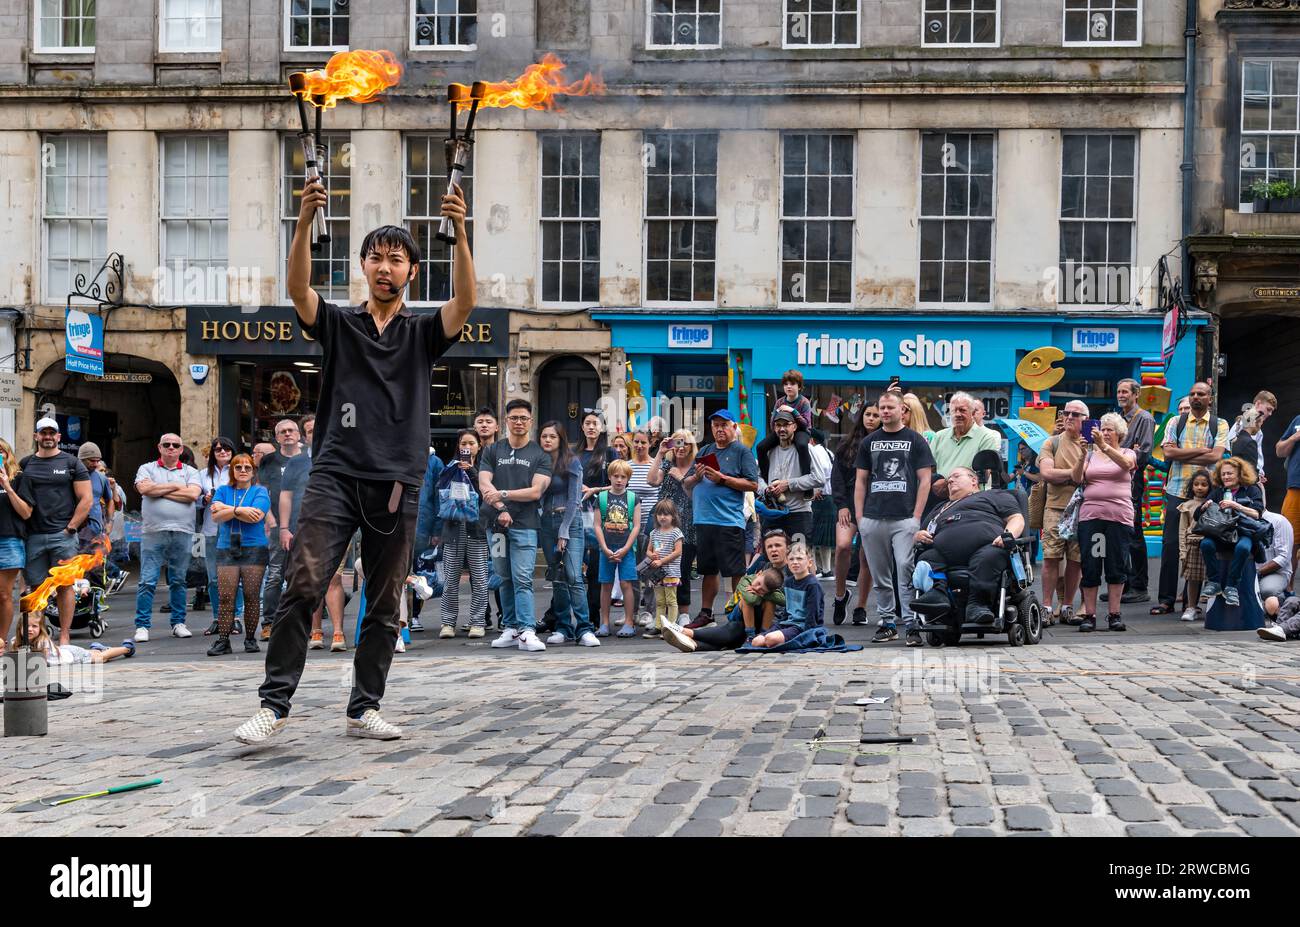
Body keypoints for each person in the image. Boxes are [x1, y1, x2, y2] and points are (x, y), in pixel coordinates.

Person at [233, 179, 475, 747]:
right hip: (337, 474)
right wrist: (303, 220)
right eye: (376, 258)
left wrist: (460, 230)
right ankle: (274, 707)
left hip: (397, 483)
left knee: (385, 602)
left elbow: (464, 300)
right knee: (304, 584)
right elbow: (297, 288)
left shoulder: (422, 332)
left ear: (412, 271)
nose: (385, 267)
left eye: (396, 259)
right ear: (363, 267)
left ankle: (363, 708)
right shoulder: (340, 323)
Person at [855, 391, 934, 646]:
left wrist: (917, 516)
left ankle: (911, 623)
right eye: (882, 409)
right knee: (880, 574)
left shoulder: (916, 440)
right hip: (872, 517)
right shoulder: (869, 442)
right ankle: (887, 621)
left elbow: (925, 480)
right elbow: (860, 481)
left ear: (902, 411)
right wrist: (860, 518)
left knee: (904, 568)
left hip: (904, 518)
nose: (885, 412)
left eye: (890, 408)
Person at [480, 398, 553, 654]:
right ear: (506, 421)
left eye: (523, 418)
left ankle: (527, 630)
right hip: (496, 526)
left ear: (530, 421)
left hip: (525, 525)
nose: (519, 422)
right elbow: (483, 483)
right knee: (503, 576)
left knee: (522, 577)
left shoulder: (540, 455)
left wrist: (502, 496)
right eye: (514, 418)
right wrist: (500, 508)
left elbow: (535, 492)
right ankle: (510, 627)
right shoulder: (492, 451)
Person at [913, 467, 1025, 625]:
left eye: (956, 476)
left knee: (990, 556)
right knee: (926, 557)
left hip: (987, 546)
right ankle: (938, 594)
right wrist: (918, 536)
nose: (950, 480)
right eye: (949, 478)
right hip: (943, 554)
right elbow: (922, 532)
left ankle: (978, 605)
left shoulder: (993, 496)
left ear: (974, 481)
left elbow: (1016, 518)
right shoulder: (940, 508)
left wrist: (1008, 535)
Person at [1154, 381, 1229, 616]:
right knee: (1170, 546)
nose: (1196, 397)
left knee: (1197, 546)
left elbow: (1216, 456)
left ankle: (1190, 601)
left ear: (1210, 398)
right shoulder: (1177, 422)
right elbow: (1168, 453)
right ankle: (1166, 600)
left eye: (1201, 394)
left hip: (1205, 493)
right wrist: (1203, 453)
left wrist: (1183, 454)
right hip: (1177, 491)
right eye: (1192, 393)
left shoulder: (1220, 424)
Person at [21, 418, 92, 649]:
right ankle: (37, 637)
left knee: (64, 586)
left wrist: (70, 528)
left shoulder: (71, 463)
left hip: (63, 535)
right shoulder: (26, 463)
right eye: (43, 433)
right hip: (33, 536)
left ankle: (64, 636)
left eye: (52, 433)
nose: (48, 436)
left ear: (59, 437)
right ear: (36, 436)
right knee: (35, 588)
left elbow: (86, 499)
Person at [687, 410, 760, 629]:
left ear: (733, 427)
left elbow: (753, 485)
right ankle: (706, 613)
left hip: (728, 521)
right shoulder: (706, 451)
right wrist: (695, 477)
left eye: (724, 425)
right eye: (715, 425)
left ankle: (739, 613)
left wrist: (723, 479)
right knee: (708, 570)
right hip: (704, 519)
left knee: (735, 570)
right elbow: (686, 484)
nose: (719, 429)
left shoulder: (741, 452)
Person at [662, 529, 790, 653]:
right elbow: (745, 585)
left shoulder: (792, 571)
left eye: (778, 545)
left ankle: (689, 638)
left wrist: (763, 593)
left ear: (787, 548)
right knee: (736, 627)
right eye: (770, 546)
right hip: (753, 618)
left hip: (776, 623)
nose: (773, 549)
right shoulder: (763, 566)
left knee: (735, 634)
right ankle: (688, 636)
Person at [280, 427, 350, 652]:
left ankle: (338, 632)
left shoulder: (341, 457)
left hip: (338, 527)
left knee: (334, 579)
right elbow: (286, 496)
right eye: (310, 431)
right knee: (312, 579)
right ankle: (316, 631)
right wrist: (283, 528)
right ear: (306, 436)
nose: (315, 434)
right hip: (304, 528)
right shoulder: (297, 462)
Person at [134, 432, 205, 642]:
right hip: (153, 531)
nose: (171, 448)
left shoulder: (192, 471)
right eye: (167, 444)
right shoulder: (147, 468)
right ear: (160, 447)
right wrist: (176, 486)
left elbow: (192, 495)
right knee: (147, 580)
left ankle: (178, 623)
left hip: (183, 530)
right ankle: (142, 626)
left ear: (181, 450)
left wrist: (158, 491)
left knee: (178, 580)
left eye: (175, 445)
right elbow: (144, 489)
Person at [1072, 413, 1137, 633]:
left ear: (1119, 433)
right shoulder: (1091, 454)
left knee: (1115, 564)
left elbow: (1127, 464)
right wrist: (1082, 454)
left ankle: (1114, 614)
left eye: (1109, 429)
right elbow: (1076, 478)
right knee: (1091, 564)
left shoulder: (1128, 452)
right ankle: (1089, 615)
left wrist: (1104, 446)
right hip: (1092, 518)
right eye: (1102, 428)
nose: (1105, 433)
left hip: (1119, 517)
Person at [538, 421, 597, 647]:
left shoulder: (571, 461)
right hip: (546, 523)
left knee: (573, 575)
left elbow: (574, 499)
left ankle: (584, 628)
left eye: (552, 436)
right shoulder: (540, 462)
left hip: (569, 523)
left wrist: (564, 530)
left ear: (560, 439)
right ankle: (563, 627)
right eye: (544, 436)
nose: (547, 440)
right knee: (557, 577)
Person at [206, 453, 270, 656]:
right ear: (232, 471)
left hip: (254, 548)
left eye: (247, 468)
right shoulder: (224, 490)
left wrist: (227, 509)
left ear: (253, 471)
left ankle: (250, 639)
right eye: (238, 467)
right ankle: (223, 640)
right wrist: (238, 510)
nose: (243, 471)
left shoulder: (260, 491)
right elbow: (215, 516)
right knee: (226, 596)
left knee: (252, 596)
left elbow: (256, 517)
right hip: (227, 548)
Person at [435, 430, 489, 639]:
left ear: (478, 446)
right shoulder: (450, 468)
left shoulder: (484, 469)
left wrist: (472, 471)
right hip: (453, 528)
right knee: (450, 579)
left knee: (480, 578)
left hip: (476, 529)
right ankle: (448, 622)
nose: (468, 447)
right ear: (459, 446)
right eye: (463, 443)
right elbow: (440, 492)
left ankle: (477, 622)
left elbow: (487, 493)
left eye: (472, 443)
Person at [1038, 400, 1088, 625]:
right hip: (1055, 507)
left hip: (1083, 509)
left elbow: (1094, 475)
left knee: (1076, 560)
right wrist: (1075, 474)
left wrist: (1067, 474)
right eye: (1066, 412)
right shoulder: (1052, 442)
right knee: (1050, 557)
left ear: (1085, 419)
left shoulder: (1094, 445)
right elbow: (1047, 473)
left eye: (1075, 414)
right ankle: (1047, 606)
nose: (1069, 416)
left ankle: (1068, 605)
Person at [256, 418, 305, 641]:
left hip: (306, 525)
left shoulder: (308, 459)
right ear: (276, 438)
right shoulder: (269, 461)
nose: (287, 434)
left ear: (299, 434)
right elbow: (261, 492)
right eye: (282, 431)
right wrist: (271, 520)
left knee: (304, 575)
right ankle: (268, 623)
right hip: (278, 527)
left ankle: (301, 622)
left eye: (291, 430)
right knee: (275, 575)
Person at [1197, 457, 1264, 609]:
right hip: (1221, 534)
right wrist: (1204, 507)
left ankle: (1231, 586)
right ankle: (1214, 582)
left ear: (1240, 474)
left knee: (1243, 548)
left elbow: (1257, 513)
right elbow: (1197, 515)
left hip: (1243, 532)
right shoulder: (1218, 492)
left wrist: (1236, 505)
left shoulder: (1252, 490)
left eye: (1230, 474)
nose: (1226, 477)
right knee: (1206, 544)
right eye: (1223, 474)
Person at [650, 428, 699, 626]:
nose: (680, 447)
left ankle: (684, 612)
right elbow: (651, 480)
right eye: (676, 443)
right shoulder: (667, 463)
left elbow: (694, 497)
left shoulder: (697, 467)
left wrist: (680, 478)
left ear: (691, 446)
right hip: (663, 524)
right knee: (661, 567)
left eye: (685, 443)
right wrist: (660, 453)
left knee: (683, 568)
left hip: (687, 522)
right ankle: (665, 614)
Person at [831, 404, 875, 626]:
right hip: (847, 503)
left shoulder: (884, 445)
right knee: (843, 546)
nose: (872, 418)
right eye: (868, 414)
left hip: (873, 507)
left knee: (867, 557)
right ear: (861, 417)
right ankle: (840, 596)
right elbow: (836, 477)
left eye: (876, 415)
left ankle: (861, 606)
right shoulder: (846, 444)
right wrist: (841, 505)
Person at [1113, 378, 1155, 605]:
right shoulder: (1119, 419)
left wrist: (1127, 454)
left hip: (1133, 480)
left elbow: (1144, 453)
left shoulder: (1144, 419)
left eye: (1125, 392)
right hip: (1118, 478)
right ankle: (1126, 583)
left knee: (1134, 533)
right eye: (1119, 392)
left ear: (1135, 394)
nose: (1121, 395)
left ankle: (1140, 585)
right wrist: (1129, 450)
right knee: (1121, 533)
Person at [757, 410, 824, 546]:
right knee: (771, 558)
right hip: (773, 513)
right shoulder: (769, 450)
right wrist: (765, 489)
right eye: (778, 425)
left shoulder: (806, 449)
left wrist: (788, 484)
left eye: (786, 424)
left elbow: (819, 478)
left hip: (799, 514)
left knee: (799, 558)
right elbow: (757, 478)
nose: (782, 429)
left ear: (794, 427)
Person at [577, 411, 619, 625]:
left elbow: (621, 484)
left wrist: (594, 490)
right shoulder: (575, 453)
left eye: (596, 423)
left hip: (601, 516)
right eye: (587, 423)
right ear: (582, 427)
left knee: (595, 569)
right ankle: (561, 617)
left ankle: (593, 617)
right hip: (576, 516)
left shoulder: (610, 453)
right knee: (572, 569)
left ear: (602, 428)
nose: (591, 427)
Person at [593, 459, 640, 638]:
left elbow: (636, 526)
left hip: (626, 548)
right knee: (606, 585)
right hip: (607, 547)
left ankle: (629, 621)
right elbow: (597, 524)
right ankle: (604, 622)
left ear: (628, 479)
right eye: (615, 476)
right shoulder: (602, 498)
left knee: (626, 583)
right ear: (610, 477)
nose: (619, 480)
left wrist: (627, 547)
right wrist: (604, 547)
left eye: (623, 477)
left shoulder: (633, 498)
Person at [198, 437, 240, 634]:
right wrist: (204, 499)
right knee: (213, 579)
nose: (222, 452)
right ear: (212, 454)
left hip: (234, 529)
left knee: (236, 576)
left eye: (226, 449)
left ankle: (237, 617)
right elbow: (196, 502)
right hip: (211, 530)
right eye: (217, 449)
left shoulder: (241, 470)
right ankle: (218, 617)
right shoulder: (202, 475)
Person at [928, 392, 1000, 501]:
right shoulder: (939, 436)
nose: (957, 414)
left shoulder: (986, 437)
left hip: (969, 499)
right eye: (954, 410)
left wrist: (948, 482)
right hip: (939, 498)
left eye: (962, 410)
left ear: (972, 413)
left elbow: (984, 474)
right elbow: (929, 468)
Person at [751, 544, 824, 648]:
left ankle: (783, 640)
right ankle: (780, 639)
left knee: (770, 639)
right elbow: (787, 611)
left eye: (799, 558)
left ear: (809, 562)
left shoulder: (813, 585)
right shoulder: (788, 582)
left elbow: (813, 615)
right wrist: (778, 626)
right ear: (787, 562)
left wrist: (806, 637)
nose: (795, 562)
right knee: (756, 641)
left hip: (801, 627)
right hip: (787, 623)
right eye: (791, 559)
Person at [627, 429, 665, 626]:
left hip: (652, 526)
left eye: (643, 442)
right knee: (632, 571)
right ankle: (631, 612)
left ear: (650, 444)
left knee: (649, 567)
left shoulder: (655, 465)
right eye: (636, 442)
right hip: (630, 525)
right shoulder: (627, 466)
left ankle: (649, 611)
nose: (640, 446)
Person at [0, 438, 34, 651]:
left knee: (3, 593)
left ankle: (1, 641)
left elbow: (26, 512)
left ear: (8, 454)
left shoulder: (19, 479)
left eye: (1, 451)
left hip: (9, 541)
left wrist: (7, 486)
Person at [755, 370, 814, 484]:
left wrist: (793, 411)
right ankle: (767, 480)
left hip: (801, 431)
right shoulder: (780, 402)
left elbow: (806, 424)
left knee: (802, 446)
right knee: (760, 447)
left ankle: (807, 481)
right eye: (786, 384)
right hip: (783, 429)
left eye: (792, 384)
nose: (789, 387)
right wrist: (777, 412)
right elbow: (773, 423)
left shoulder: (804, 402)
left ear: (799, 386)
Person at [15, 613, 134, 665]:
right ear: (19, 628)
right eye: (26, 626)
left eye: (34, 626)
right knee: (91, 655)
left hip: (72, 656)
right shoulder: (15, 641)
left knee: (101, 659)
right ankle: (98, 649)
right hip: (64, 650)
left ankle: (126, 648)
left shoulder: (43, 642)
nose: (29, 629)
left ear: (41, 629)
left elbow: (41, 662)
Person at [1175, 469, 1213, 623]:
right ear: (1191, 486)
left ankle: (1212, 608)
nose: (1199, 487)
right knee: (1193, 579)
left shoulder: (1212, 504)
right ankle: (1191, 607)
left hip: (1209, 544)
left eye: (1204, 484)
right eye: (1196, 484)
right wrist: (1182, 550)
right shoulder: (1187, 506)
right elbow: (1182, 529)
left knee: (1212, 578)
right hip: (1193, 544)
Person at [643, 499, 684, 639]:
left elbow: (678, 551)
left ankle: (671, 626)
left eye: (666, 514)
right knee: (660, 601)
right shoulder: (654, 533)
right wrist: (652, 555)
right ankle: (659, 626)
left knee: (671, 601)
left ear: (673, 516)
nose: (662, 517)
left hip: (671, 572)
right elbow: (648, 551)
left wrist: (661, 561)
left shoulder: (676, 532)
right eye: (659, 514)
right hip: (657, 573)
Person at [1227, 390, 1276, 489]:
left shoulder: (1257, 430)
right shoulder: (1245, 423)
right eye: (1268, 409)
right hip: (1243, 477)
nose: (1270, 414)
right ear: (1258, 404)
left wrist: (1260, 472)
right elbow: (1231, 448)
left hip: (1252, 475)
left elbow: (1257, 453)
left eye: (1272, 411)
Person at [809, 428, 837, 576]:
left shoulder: (815, 451)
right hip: (829, 498)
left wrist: (816, 488)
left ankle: (814, 569)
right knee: (824, 539)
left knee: (811, 536)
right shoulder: (828, 452)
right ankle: (826, 570)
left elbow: (821, 471)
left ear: (812, 440)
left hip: (820, 498)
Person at [1257, 509, 1294, 604]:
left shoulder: (1278, 521)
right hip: (1248, 571)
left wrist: (1258, 572)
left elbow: (1283, 557)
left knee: (1268, 590)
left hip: (1276, 573)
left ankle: (1283, 603)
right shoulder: (1239, 520)